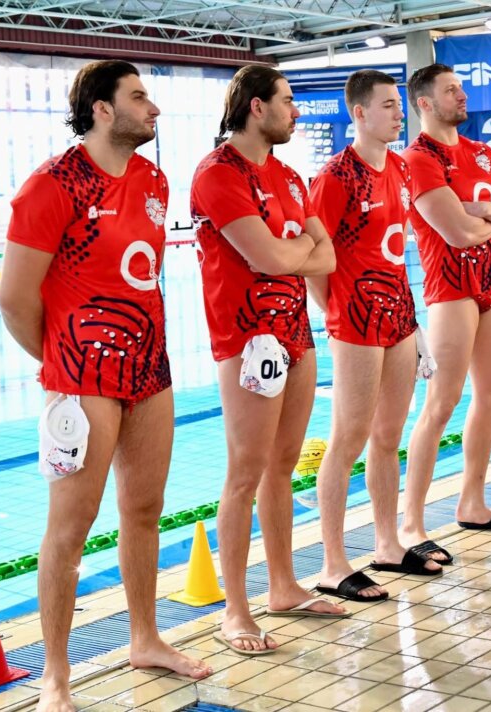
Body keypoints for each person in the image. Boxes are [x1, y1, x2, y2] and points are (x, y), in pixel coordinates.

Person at [0, 59, 212, 710]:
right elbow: (13, 298)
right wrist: (62, 365)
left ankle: (145, 636)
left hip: (150, 369)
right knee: (70, 529)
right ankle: (55, 676)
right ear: (100, 109)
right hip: (82, 375)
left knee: (144, 512)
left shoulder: (152, 178)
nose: (154, 109)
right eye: (139, 97)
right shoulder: (51, 186)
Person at [191, 65, 346, 655]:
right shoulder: (218, 174)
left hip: (294, 336)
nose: (295, 111)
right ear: (257, 107)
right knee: (245, 474)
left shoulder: (286, 174)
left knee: (283, 466)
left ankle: (282, 585)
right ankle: (235, 610)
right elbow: (267, 256)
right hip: (244, 342)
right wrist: (294, 252)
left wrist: (292, 254)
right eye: (287, 101)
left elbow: (323, 258)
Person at [308, 69, 442, 605]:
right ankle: (333, 562)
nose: (398, 113)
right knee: (348, 439)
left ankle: (387, 544)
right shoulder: (336, 176)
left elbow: (391, 250)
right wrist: (338, 317)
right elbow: (315, 259)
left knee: (388, 437)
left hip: (398, 317)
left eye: (398, 104)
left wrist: (412, 324)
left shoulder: (401, 171)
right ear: (358, 114)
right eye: (387, 105)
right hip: (356, 323)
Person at [399, 64, 491, 542]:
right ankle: (412, 523)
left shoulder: (481, 153)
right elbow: (455, 234)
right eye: (450, 90)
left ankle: (473, 502)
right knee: (441, 403)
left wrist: (484, 211)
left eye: (461, 87)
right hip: (450, 290)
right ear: (424, 103)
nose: (462, 95)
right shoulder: (418, 158)